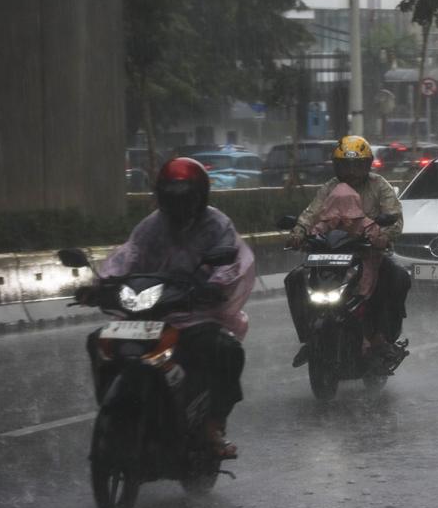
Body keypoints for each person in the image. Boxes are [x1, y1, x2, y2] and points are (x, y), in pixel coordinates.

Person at [86, 157, 256, 458]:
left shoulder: (217, 225)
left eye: (185, 197)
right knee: (98, 341)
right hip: (149, 312)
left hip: (195, 312)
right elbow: (127, 256)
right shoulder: (151, 226)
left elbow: (231, 262)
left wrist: (214, 286)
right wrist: (100, 285)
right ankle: (115, 405)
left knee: (226, 350)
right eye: (171, 197)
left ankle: (213, 425)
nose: (178, 205)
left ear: (199, 197)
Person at [285, 135, 410, 368]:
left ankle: (381, 337)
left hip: (368, 253)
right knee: (294, 279)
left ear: (367, 165)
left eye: (357, 165)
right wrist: (298, 233)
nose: (351, 172)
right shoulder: (330, 187)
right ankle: (308, 337)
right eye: (345, 165)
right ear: (336, 166)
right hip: (330, 253)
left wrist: (383, 237)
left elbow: (394, 217)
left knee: (397, 277)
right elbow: (311, 214)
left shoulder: (379, 185)